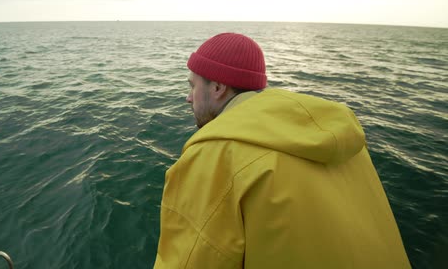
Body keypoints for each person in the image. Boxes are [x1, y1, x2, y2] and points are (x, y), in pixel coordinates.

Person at [153, 33, 411, 268]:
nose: (188, 97)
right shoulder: (345, 142)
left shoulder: (215, 155)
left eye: (192, 86)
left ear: (218, 88)